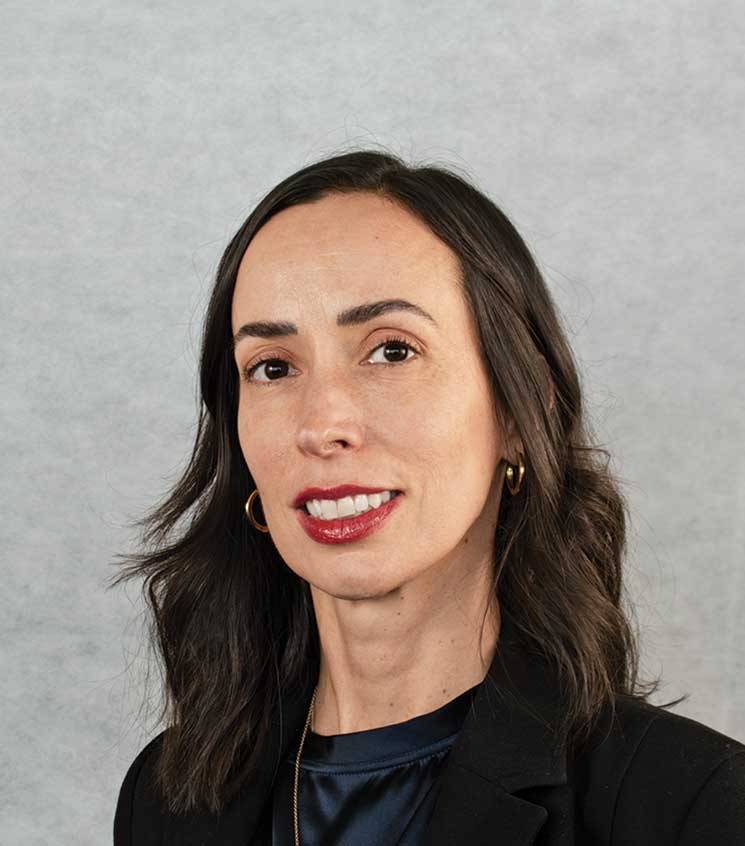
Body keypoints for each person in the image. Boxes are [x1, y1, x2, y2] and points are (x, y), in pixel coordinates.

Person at [111, 150, 745, 846]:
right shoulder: (165, 802)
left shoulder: (696, 805)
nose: (321, 425)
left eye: (391, 351)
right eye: (272, 367)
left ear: (518, 410)